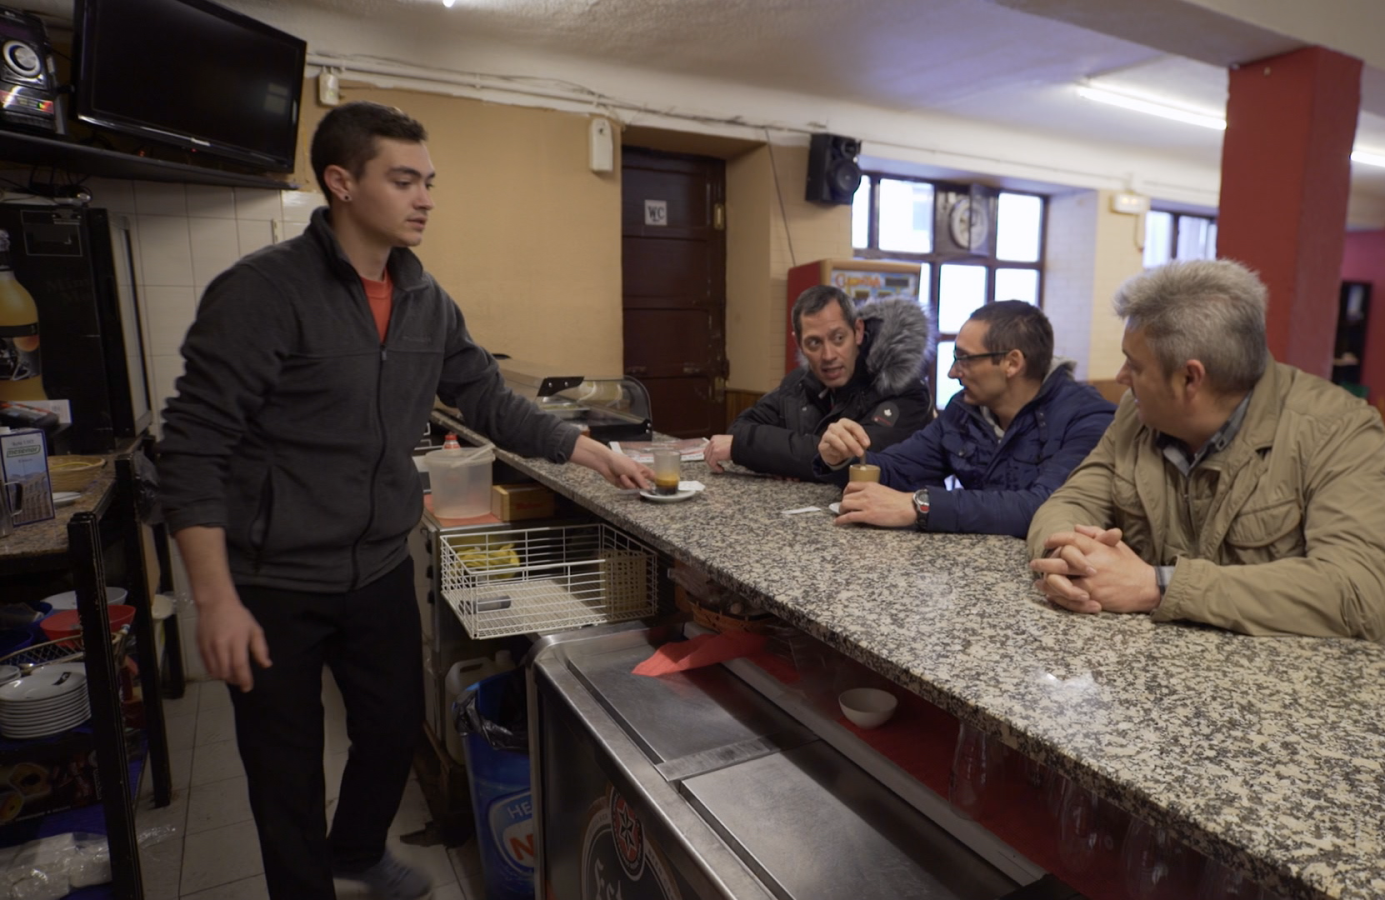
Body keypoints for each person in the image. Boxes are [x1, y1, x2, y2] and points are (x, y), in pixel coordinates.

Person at [156, 101, 652, 900]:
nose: (425, 198)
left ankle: (355, 847)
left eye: (429, 181)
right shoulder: (263, 293)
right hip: (274, 579)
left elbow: (486, 400)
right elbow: (192, 448)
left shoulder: (425, 299)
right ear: (341, 182)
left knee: (391, 730)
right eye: (404, 179)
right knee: (283, 777)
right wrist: (214, 600)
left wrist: (590, 450)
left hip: (378, 564)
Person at [1026, 259, 1385, 640]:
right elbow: (1068, 503)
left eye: (1134, 365)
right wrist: (1071, 558)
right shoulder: (1137, 414)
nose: (1122, 379)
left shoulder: (1337, 430)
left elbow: (1362, 592)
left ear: (1189, 378)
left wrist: (1158, 586)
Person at [816, 301, 1115, 537]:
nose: (952, 373)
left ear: (1012, 363)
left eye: (965, 359)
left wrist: (919, 506)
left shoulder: (1087, 419)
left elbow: (1044, 506)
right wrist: (844, 457)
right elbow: (902, 467)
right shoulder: (965, 411)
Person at [701, 285, 932, 479]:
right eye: (814, 343)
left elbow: (852, 457)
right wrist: (782, 460)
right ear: (799, 344)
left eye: (838, 338)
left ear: (858, 331)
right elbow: (740, 428)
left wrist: (753, 451)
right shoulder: (799, 382)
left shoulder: (903, 389)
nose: (828, 355)